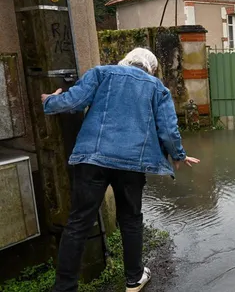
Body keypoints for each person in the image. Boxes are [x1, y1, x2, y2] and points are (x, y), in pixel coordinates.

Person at [42, 48, 199, 292]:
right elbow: (168, 130)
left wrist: (49, 101)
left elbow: (73, 101)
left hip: (92, 159)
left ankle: (64, 287)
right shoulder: (158, 89)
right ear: (152, 69)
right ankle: (134, 279)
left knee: (78, 223)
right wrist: (178, 155)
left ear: (126, 60)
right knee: (131, 219)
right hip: (132, 165)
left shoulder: (101, 73)